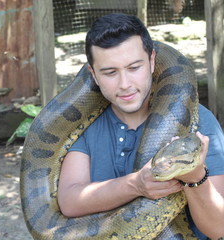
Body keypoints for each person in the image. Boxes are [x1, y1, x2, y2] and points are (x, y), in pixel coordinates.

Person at [57, 13, 224, 240]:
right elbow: (70, 201)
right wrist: (136, 184)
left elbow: (218, 229)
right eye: (110, 72)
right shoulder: (85, 126)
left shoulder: (199, 125)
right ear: (93, 74)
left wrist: (195, 177)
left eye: (134, 67)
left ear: (152, 61)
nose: (125, 84)